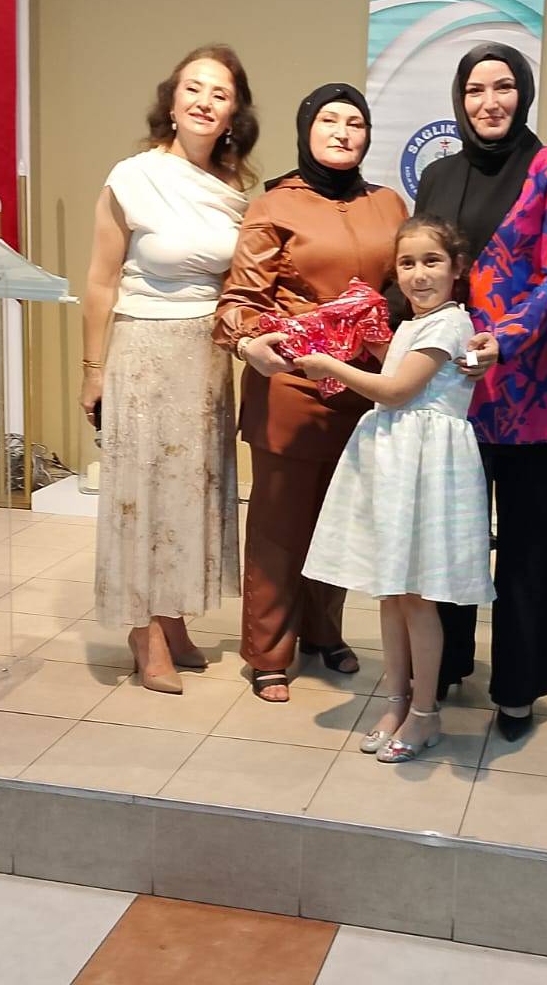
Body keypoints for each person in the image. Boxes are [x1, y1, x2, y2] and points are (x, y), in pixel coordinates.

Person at [402, 41, 547, 743]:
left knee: (528, 544)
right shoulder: (438, 175)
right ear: (459, 99)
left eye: (504, 87)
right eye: (475, 90)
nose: (490, 102)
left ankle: (518, 687)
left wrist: (502, 339)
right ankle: (447, 662)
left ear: (524, 93)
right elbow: (424, 273)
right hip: (452, 390)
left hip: (530, 390)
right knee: (450, 534)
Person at [214, 83, 410, 702]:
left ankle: (325, 633)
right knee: (281, 525)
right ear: (307, 129)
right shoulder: (274, 204)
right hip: (292, 385)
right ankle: (268, 652)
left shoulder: (389, 204)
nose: (342, 132)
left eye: (355, 122)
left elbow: (406, 282)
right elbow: (239, 301)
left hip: (363, 387)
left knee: (343, 519)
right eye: (329, 120)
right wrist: (250, 343)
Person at [82, 44, 259, 693]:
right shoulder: (133, 177)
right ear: (172, 100)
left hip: (205, 359)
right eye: (194, 88)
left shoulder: (235, 190)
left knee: (191, 492)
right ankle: (143, 631)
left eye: (220, 93)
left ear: (234, 112)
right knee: (144, 495)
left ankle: (173, 613)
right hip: (143, 353)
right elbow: (100, 281)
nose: (205, 101)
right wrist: (93, 368)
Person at [300, 215, 494, 761]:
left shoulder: (450, 323)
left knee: (417, 596)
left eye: (432, 261)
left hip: (425, 467)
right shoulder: (413, 323)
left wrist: (330, 364)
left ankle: (425, 712)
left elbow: (397, 390)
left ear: (457, 268)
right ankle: (397, 700)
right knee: (392, 591)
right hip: (398, 463)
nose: (418, 274)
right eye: (406, 263)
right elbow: (396, 376)